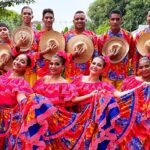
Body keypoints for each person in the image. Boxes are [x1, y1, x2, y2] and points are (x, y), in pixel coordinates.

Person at [18, 53, 120, 150]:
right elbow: (72, 100)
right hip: (49, 113)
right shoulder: (76, 79)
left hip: (83, 115)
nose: (95, 66)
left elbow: (72, 100)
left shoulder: (102, 85)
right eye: (93, 63)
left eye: (99, 65)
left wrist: (135, 90)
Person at [114, 56, 150, 149]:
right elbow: (121, 97)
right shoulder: (130, 80)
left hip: (145, 122)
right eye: (141, 67)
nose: (144, 69)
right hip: (128, 120)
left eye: (147, 66)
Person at [0, 53, 33, 149]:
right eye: (17, 59)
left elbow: (22, 99)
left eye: (22, 62)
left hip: (6, 120)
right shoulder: (6, 76)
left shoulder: (21, 82)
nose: (18, 62)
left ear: (26, 68)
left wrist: (28, 102)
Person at [98, 9, 135, 90]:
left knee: (121, 100)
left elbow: (132, 54)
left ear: (122, 21)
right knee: (108, 99)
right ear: (109, 21)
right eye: (112, 19)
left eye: (117, 19)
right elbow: (99, 57)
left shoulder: (128, 36)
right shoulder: (102, 37)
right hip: (107, 75)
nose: (115, 21)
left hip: (123, 75)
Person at [64, 10, 98, 79]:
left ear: (86, 20)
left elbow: (96, 56)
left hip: (87, 75)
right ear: (73, 21)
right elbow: (62, 55)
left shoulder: (92, 35)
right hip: (70, 74)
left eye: (82, 19)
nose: (79, 20)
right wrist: (72, 55)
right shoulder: (67, 35)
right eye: (77, 19)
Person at [36, 8, 59, 79]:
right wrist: (46, 51)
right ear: (42, 19)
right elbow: (33, 55)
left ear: (53, 19)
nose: (48, 20)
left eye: (51, 18)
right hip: (41, 69)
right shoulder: (37, 35)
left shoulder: (59, 36)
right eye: (46, 18)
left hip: (55, 70)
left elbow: (62, 54)